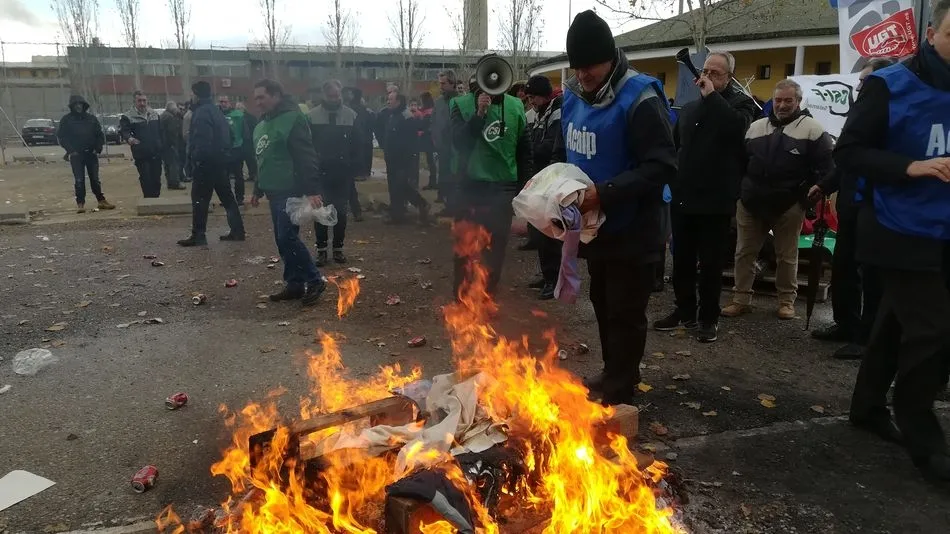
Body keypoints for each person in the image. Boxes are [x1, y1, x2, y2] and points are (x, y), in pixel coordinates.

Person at [839, 0, 950, 481]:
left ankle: (866, 407)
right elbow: (849, 151)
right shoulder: (890, 85)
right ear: (931, 34)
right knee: (935, 330)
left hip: (943, 230)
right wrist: (910, 167)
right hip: (896, 227)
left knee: (893, 320)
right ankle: (927, 445)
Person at [552, 10, 677, 406]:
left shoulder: (640, 97)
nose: (582, 74)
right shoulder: (573, 96)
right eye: (577, 66)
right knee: (603, 302)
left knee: (626, 309)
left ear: (610, 57)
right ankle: (612, 370)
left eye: (589, 65)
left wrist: (603, 193)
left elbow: (661, 166)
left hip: (634, 227)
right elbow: (564, 151)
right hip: (594, 228)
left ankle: (623, 387)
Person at [653, 51, 760, 342]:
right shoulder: (689, 108)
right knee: (682, 260)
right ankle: (685, 310)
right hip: (684, 195)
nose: (709, 77)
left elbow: (737, 131)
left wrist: (713, 97)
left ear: (729, 77)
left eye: (716, 73)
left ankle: (709, 318)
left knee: (711, 263)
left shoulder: (742, 106)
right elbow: (676, 145)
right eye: (706, 71)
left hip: (716, 199)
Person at [721, 79, 835, 320]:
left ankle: (786, 302)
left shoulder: (813, 129)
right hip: (751, 202)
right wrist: (739, 194)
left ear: (798, 102)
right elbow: (739, 163)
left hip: (789, 204)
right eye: (778, 100)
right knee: (744, 253)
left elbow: (827, 167)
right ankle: (741, 298)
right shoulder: (755, 127)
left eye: (788, 101)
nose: (782, 105)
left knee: (787, 255)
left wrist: (810, 195)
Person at [808, 58, 894, 359]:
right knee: (843, 268)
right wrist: (824, 186)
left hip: (876, 208)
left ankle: (868, 336)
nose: (857, 86)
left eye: (864, 81)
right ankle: (845, 324)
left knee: (872, 276)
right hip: (849, 207)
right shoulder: (860, 114)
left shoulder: (890, 117)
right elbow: (846, 160)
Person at [450, 54, 532, 297]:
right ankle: (462, 296)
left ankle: (487, 296)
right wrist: (479, 114)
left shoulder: (516, 106)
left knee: (496, 248)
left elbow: (524, 151)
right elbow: (458, 141)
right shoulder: (460, 104)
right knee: (465, 245)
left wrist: (523, 189)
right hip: (470, 186)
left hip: (502, 187)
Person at [250, 79, 327, 306]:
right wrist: (257, 189)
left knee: (287, 237)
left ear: (276, 96)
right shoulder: (261, 125)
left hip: (290, 190)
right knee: (282, 240)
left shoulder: (293, 119)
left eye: (262, 97)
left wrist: (312, 189)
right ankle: (294, 284)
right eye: (256, 98)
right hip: (273, 191)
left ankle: (314, 280)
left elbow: (306, 156)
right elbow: (263, 159)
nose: (258, 102)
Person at [177, 81, 245, 247]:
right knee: (228, 198)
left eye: (192, 94)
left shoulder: (201, 113)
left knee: (199, 200)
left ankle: (198, 235)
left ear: (196, 95)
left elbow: (201, 141)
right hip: (220, 162)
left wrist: (196, 161)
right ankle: (238, 231)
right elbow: (228, 134)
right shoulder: (217, 111)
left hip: (205, 164)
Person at [308, 79, 360, 266]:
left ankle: (338, 248)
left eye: (337, 95)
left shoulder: (351, 115)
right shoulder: (312, 116)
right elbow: (308, 145)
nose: (334, 99)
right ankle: (321, 250)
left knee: (341, 213)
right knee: (320, 212)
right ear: (324, 95)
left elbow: (358, 144)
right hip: (320, 172)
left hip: (342, 173)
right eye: (330, 96)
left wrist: (354, 166)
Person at [523, 74, 564, 300]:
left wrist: (529, 151)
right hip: (542, 178)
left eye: (533, 97)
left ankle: (554, 279)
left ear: (544, 96)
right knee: (541, 231)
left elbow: (549, 146)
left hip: (552, 178)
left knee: (551, 233)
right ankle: (547, 274)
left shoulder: (557, 113)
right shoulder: (541, 113)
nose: (531, 102)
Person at [57, 94, 115, 213]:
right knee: (79, 180)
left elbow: (99, 135)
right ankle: (80, 204)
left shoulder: (91, 119)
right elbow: (62, 137)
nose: (78, 106)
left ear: (84, 105)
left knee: (95, 179)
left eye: (80, 104)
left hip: (91, 154)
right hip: (76, 155)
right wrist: (71, 150)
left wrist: (97, 149)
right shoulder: (66, 120)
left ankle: (101, 201)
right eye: (76, 104)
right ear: (72, 106)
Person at [382, 92, 430, 224]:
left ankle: (421, 204)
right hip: (392, 158)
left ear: (398, 101)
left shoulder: (406, 116)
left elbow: (410, 140)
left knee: (401, 186)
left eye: (390, 99)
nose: (388, 101)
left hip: (402, 159)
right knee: (395, 187)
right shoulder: (393, 115)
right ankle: (397, 215)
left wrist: (407, 159)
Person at [120, 90, 164, 198]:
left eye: (144, 100)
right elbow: (124, 131)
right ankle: (148, 199)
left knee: (156, 178)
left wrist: (161, 144)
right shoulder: (128, 116)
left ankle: (156, 198)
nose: (142, 103)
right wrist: (129, 138)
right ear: (135, 101)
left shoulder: (154, 114)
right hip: (141, 153)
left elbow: (160, 131)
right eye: (139, 101)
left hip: (156, 152)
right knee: (146, 177)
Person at [433, 70, 458, 207]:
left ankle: (456, 206)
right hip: (442, 146)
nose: (441, 86)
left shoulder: (460, 100)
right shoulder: (439, 102)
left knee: (455, 176)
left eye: (444, 83)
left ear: (452, 83)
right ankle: (448, 205)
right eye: (440, 83)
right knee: (444, 175)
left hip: (457, 147)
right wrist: (435, 139)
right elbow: (434, 121)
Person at [218, 95, 246, 205]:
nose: (223, 104)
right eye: (221, 102)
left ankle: (239, 198)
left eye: (225, 101)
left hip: (236, 148)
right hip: (223, 150)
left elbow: (245, 132)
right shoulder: (217, 115)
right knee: (224, 176)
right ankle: (226, 198)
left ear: (229, 103)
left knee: (238, 175)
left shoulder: (238, 115)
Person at [159, 101, 185, 191]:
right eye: (176, 108)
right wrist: (174, 143)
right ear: (172, 108)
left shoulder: (163, 115)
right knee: (174, 164)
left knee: (167, 164)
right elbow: (172, 132)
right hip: (170, 144)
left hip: (163, 145)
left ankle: (170, 182)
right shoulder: (170, 117)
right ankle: (175, 183)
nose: (177, 110)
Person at [235, 101, 259, 185]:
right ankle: (242, 175)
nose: (238, 110)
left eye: (239, 108)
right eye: (237, 108)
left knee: (250, 159)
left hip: (249, 142)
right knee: (240, 160)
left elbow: (255, 128)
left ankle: (253, 174)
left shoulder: (250, 118)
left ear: (243, 108)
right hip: (240, 142)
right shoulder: (236, 118)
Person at [418, 91, 438, 191]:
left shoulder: (429, 112)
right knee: (430, 161)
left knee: (431, 161)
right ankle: (433, 182)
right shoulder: (426, 111)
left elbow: (429, 127)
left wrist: (423, 132)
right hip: (428, 139)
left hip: (430, 140)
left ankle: (433, 182)